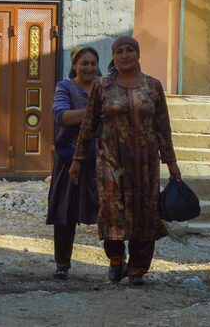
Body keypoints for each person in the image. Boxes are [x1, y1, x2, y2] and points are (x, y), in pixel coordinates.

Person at [70, 34, 182, 285]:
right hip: (110, 160)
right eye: (119, 51)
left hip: (145, 163)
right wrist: (77, 159)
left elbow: (163, 127)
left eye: (129, 50)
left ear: (138, 54)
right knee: (111, 211)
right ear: (113, 56)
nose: (124, 55)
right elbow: (88, 125)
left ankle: (138, 269)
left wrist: (171, 163)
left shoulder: (152, 86)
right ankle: (117, 259)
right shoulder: (102, 86)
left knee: (145, 213)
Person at [45, 46, 102, 279]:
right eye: (84, 63)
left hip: (102, 158)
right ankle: (62, 263)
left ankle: (117, 262)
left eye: (92, 63)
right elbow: (61, 115)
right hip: (70, 159)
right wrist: (94, 111)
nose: (89, 68)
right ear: (74, 66)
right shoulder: (65, 87)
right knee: (65, 212)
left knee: (109, 212)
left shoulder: (106, 87)